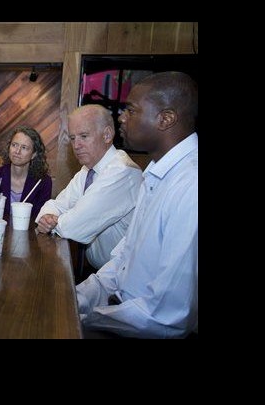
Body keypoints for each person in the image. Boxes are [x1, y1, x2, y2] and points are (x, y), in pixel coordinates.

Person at [76, 71, 198, 338]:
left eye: (131, 110)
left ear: (165, 119)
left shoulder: (191, 184)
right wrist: (76, 299)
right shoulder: (154, 173)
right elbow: (122, 260)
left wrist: (88, 317)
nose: (121, 117)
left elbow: (165, 315)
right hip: (121, 315)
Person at [36, 105, 142, 271]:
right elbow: (55, 205)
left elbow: (74, 227)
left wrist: (54, 222)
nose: (76, 145)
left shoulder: (122, 171)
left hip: (126, 278)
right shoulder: (87, 171)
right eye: (72, 138)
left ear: (107, 135)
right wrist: (47, 217)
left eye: (84, 136)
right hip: (101, 272)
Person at [0, 126, 52, 222]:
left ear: (33, 154)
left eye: (24, 147)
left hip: (29, 234)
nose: (17, 151)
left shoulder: (43, 182)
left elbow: (40, 219)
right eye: (14, 145)